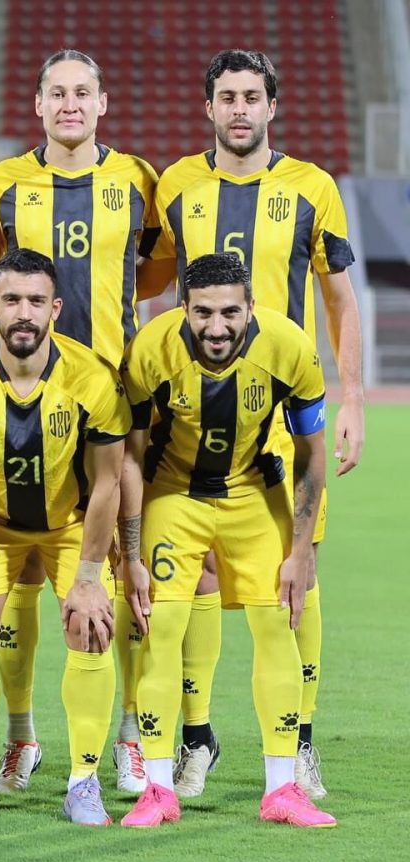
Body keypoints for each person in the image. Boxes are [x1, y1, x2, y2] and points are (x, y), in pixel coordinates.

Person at [142, 49, 364, 799]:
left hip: (280, 417)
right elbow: (146, 277)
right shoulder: (175, 184)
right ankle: (197, 737)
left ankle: (298, 742)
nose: (239, 108)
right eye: (227, 97)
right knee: (196, 575)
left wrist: (353, 399)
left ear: (273, 106)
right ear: (208, 107)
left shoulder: (312, 187)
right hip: (191, 412)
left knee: (296, 578)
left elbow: (339, 299)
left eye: (251, 96)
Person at [0, 49, 165, 793]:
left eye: (83, 92)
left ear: (102, 103)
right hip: (26, 398)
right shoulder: (4, 182)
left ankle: (129, 736)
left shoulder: (138, 178)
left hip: (115, 399)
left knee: (124, 570)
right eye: (57, 93)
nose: (70, 104)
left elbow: (156, 266)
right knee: (24, 567)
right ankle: (22, 738)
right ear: (38, 104)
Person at [119, 252, 334, 828]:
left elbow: (311, 455)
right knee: (160, 628)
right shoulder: (149, 351)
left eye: (230, 313)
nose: (217, 327)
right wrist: (131, 551)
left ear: (251, 307)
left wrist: (300, 551)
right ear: (183, 308)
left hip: (253, 493)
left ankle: (282, 789)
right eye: (204, 313)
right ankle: (158, 790)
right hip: (174, 492)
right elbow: (129, 457)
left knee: (277, 623)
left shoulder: (289, 349)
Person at [0, 248, 128, 826]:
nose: (23, 313)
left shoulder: (94, 378)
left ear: (55, 308)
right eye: (11, 299)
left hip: (70, 525)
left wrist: (88, 578)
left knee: (91, 625)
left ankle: (84, 782)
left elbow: (108, 485)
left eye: (36, 301)